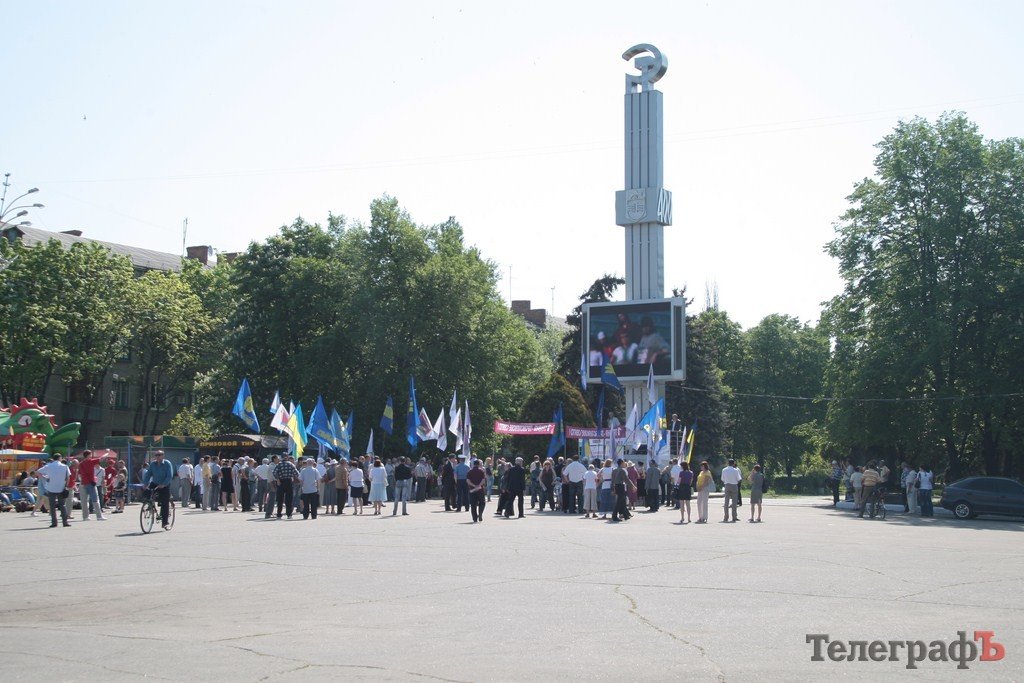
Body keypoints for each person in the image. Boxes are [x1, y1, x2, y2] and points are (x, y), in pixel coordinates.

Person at [142, 450, 175, 530]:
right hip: (155, 483)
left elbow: (169, 476)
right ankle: (149, 504)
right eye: (156, 455)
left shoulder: (167, 463)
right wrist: (145, 483)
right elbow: (148, 474)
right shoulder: (153, 464)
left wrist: (163, 484)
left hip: (164, 484)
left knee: (164, 503)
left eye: (159, 455)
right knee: (147, 492)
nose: (157, 456)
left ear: (163, 456)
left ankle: (165, 522)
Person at [37, 454, 71, 528]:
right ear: (60, 458)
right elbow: (68, 477)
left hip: (51, 488)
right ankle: (65, 522)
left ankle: (54, 522)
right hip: (61, 488)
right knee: (62, 505)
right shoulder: (65, 466)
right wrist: (66, 485)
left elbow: (38, 471)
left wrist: (45, 478)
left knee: (52, 506)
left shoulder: (49, 466)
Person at [77, 450, 109, 521]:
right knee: (95, 500)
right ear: (88, 455)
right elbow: (102, 458)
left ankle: (85, 517)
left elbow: (79, 475)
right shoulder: (91, 462)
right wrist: (107, 452)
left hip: (83, 483)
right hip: (91, 483)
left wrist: (83, 480)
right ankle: (99, 516)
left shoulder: (81, 464)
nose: (91, 456)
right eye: (90, 455)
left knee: (84, 501)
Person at [272, 455, 299, 519]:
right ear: (287, 459)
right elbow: (296, 473)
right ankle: (289, 514)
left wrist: (277, 479)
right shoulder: (291, 464)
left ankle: (279, 514)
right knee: (289, 499)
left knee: (280, 499)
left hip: (281, 482)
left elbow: (274, 472)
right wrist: (293, 477)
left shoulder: (279, 464)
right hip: (289, 482)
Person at [720, 458, 741, 522]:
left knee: (726, 502)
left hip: (727, 485)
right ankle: (734, 517)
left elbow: (722, 479)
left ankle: (726, 517)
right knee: (734, 503)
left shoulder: (724, 470)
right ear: (733, 463)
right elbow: (739, 479)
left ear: (728, 463)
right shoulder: (736, 470)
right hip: (734, 485)